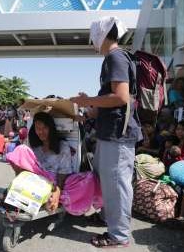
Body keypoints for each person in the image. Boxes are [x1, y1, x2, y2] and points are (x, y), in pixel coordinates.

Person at [70, 16, 142, 248]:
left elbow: (120, 97)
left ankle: (118, 235)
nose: (93, 43)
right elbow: (115, 101)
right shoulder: (117, 57)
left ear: (101, 36)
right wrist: (89, 111)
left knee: (117, 183)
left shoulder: (115, 57)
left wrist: (86, 99)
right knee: (105, 180)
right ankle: (105, 217)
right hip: (110, 132)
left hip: (117, 135)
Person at [0, 112, 102, 225]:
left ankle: (12, 199)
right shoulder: (35, 147)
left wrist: (57, 191)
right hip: (37, 180)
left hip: (57, 182)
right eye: (37, 128)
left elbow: (63, 173)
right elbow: (28, 167)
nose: (41, 131)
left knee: (89, 178)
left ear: (51, 128)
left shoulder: (63, 146)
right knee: (21, 150)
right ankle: (14, 196)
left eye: (45, 127)